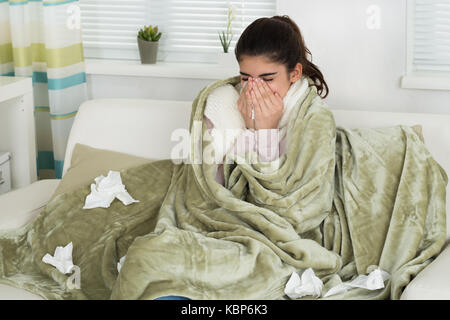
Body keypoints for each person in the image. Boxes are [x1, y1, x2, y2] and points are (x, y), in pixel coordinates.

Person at [203, 15, 329, 186]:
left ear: (295, 74)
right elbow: (220, 187)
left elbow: (278, 194)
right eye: (246, 78)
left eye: (268, 79)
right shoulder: (223, 105)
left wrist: (266, 130)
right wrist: (250, 128)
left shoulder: (311, 117)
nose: (254, 88)